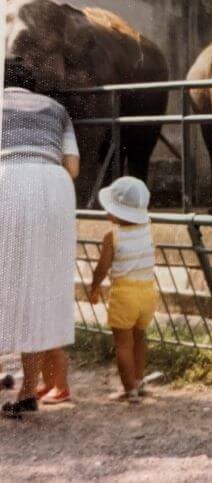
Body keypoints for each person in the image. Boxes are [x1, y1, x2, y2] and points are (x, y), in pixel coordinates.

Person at [0, 58, 79, 418]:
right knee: (35, 287)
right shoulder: (57, 109)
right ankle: (28, 392)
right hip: (53, 187)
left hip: (7, 179)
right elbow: (72, 167)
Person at [88, 176, 156, 403]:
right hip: (147, 292)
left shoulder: (112, 236)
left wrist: (94, 287)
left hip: (124, 293)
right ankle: (138, 381)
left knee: (123, 345)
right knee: (139, 339)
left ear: (117, 212)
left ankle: (129, 390)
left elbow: (102, 268)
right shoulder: (147, 228)